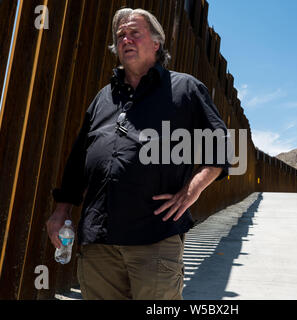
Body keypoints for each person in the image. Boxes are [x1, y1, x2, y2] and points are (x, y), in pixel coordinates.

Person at [46, 8, 229, 300]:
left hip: (154, 237)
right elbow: (79, 160)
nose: (126, 39)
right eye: (120, 36)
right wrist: (61, 211)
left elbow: (220, 146)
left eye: (134, 33)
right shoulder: (103, 98)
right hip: (99, 241)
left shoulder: (185, 89)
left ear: (156, 43)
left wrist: (191, 191)